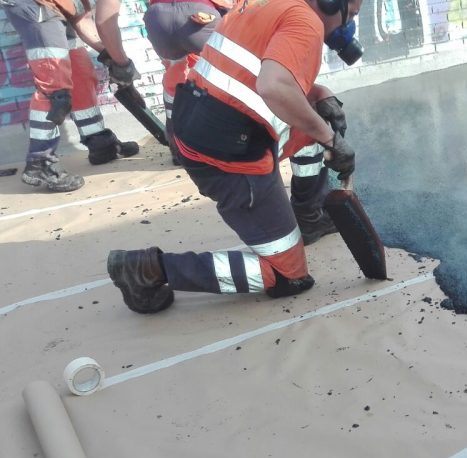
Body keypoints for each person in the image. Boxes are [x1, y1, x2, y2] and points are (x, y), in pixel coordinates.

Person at [105, 0, 362, 313]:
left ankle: (308, 217)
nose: (349, 24)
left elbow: (258, 72)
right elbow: (274, 86)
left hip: (207, 125)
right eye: (353, 13)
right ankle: (148, 269)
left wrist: (321, 98)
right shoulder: (305, 22)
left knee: (320, 119)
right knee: (288, 276)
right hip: (228, 158)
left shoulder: (265, 6)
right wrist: (330, 139)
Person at [2, 0, 140, 192]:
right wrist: (122, 62)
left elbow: (81, 19)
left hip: (56, 8)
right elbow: (100, 21)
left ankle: (99, 142)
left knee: (81, 73)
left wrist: (111, 56)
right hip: (36, 6)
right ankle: (39, 162)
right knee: (54, 88)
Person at [94, 0, 232, 165]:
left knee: (175, 76)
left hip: (158, 18)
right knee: (226, 77)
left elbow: (103, 19)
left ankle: (180, 150)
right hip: (201, 15)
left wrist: (122, 64)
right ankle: (228, 143)